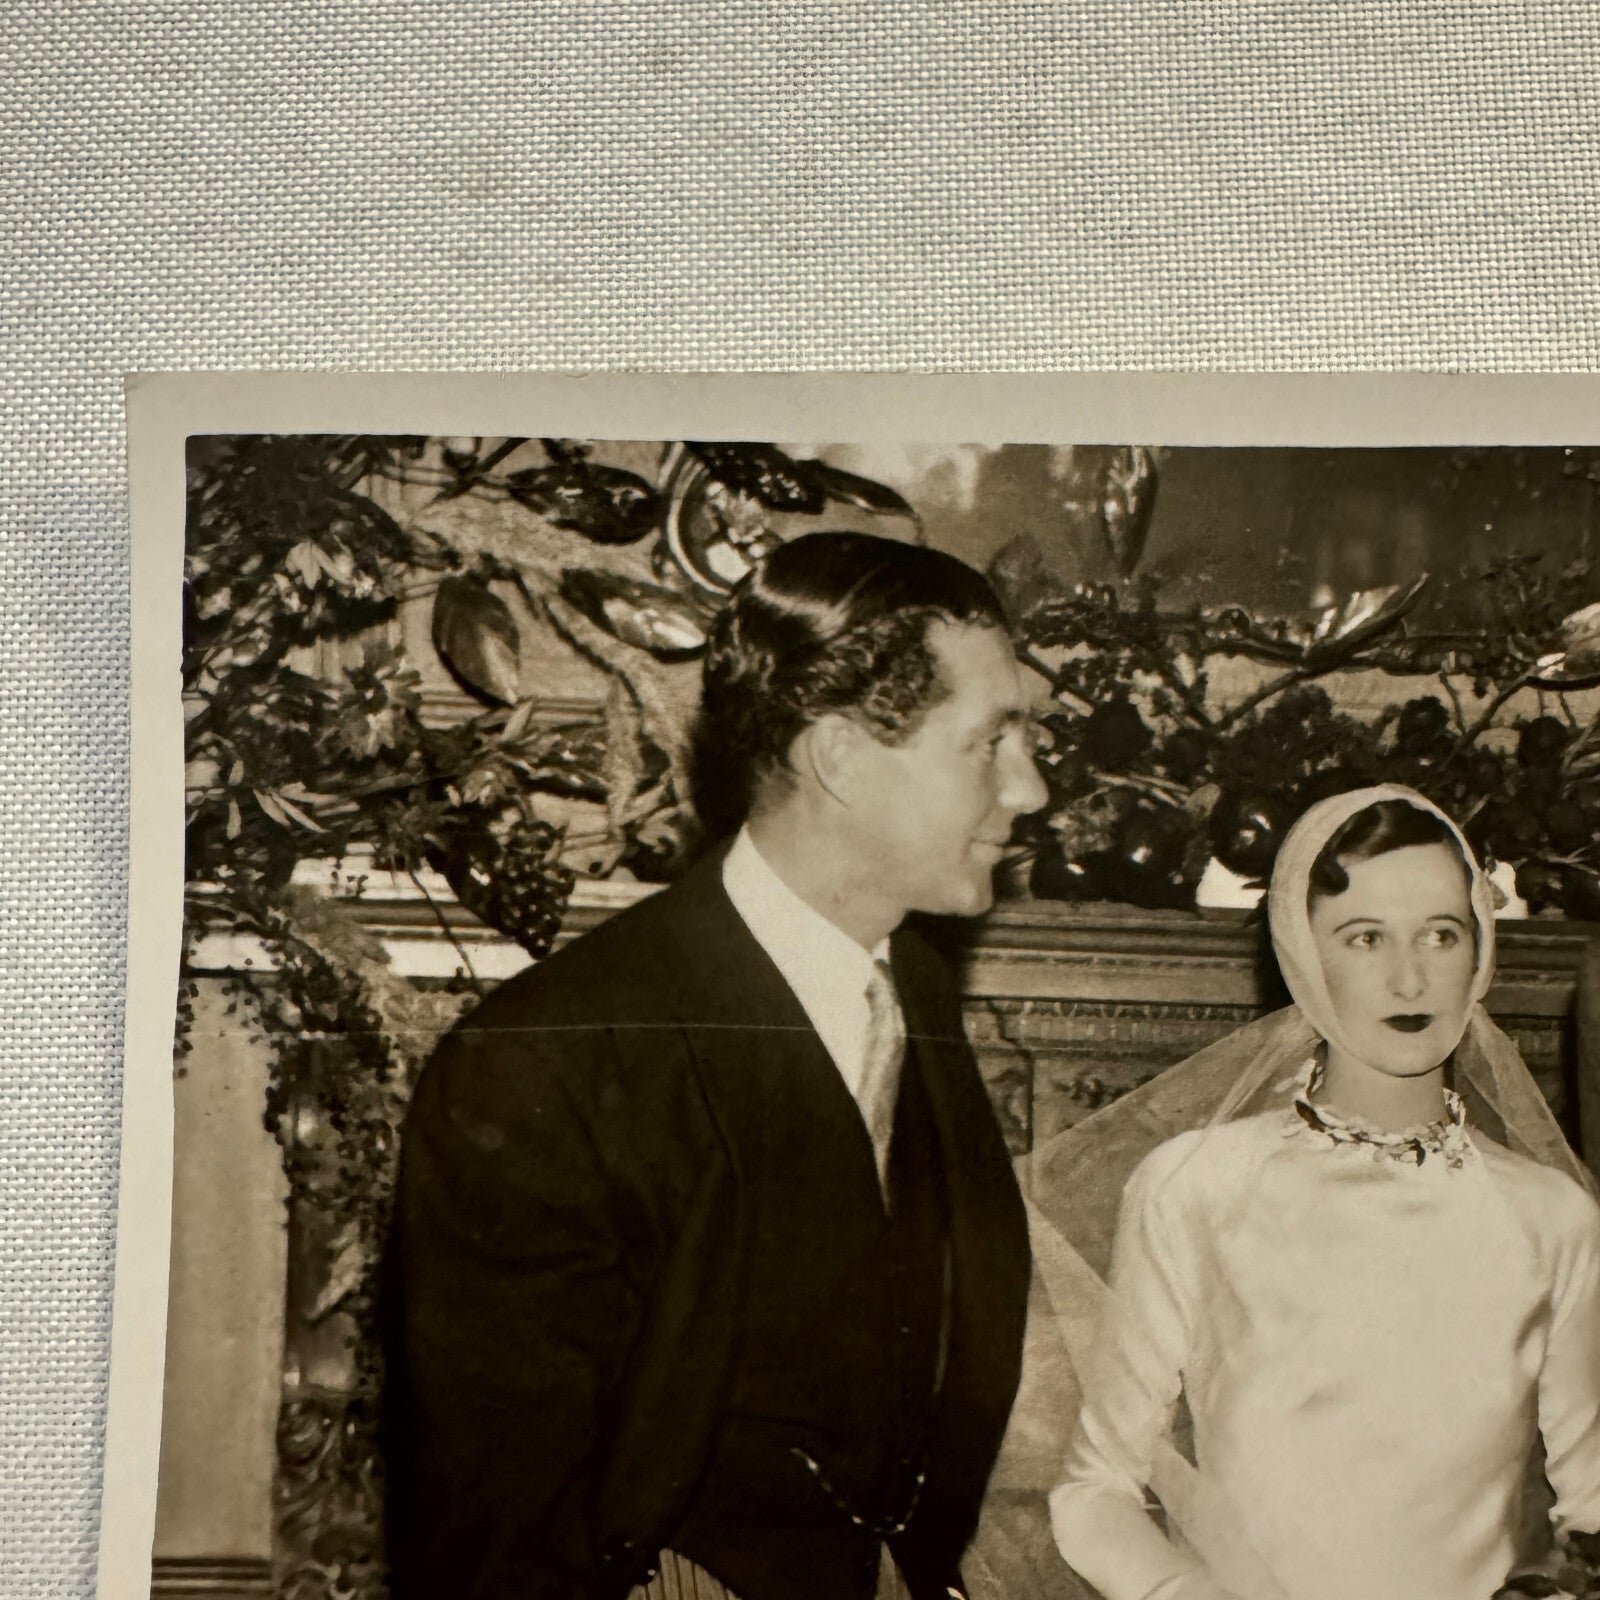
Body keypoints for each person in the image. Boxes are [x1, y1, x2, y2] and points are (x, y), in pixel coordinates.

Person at [382, 531, 1049, 1600]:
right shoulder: (546, 1056)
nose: (1030, 787)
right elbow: (497, 1532)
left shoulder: (914, 990)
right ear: (838, 756)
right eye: (989, 741)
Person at [1004, 785, 1600, 1600]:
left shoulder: (1554, 1217)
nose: (1410, 977)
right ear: (1302, 952)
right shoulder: (1196, 1187)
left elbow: (1594, 1506)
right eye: (1364, 938)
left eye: (1441, 933)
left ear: (1481, 948)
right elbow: (1094, 1489)